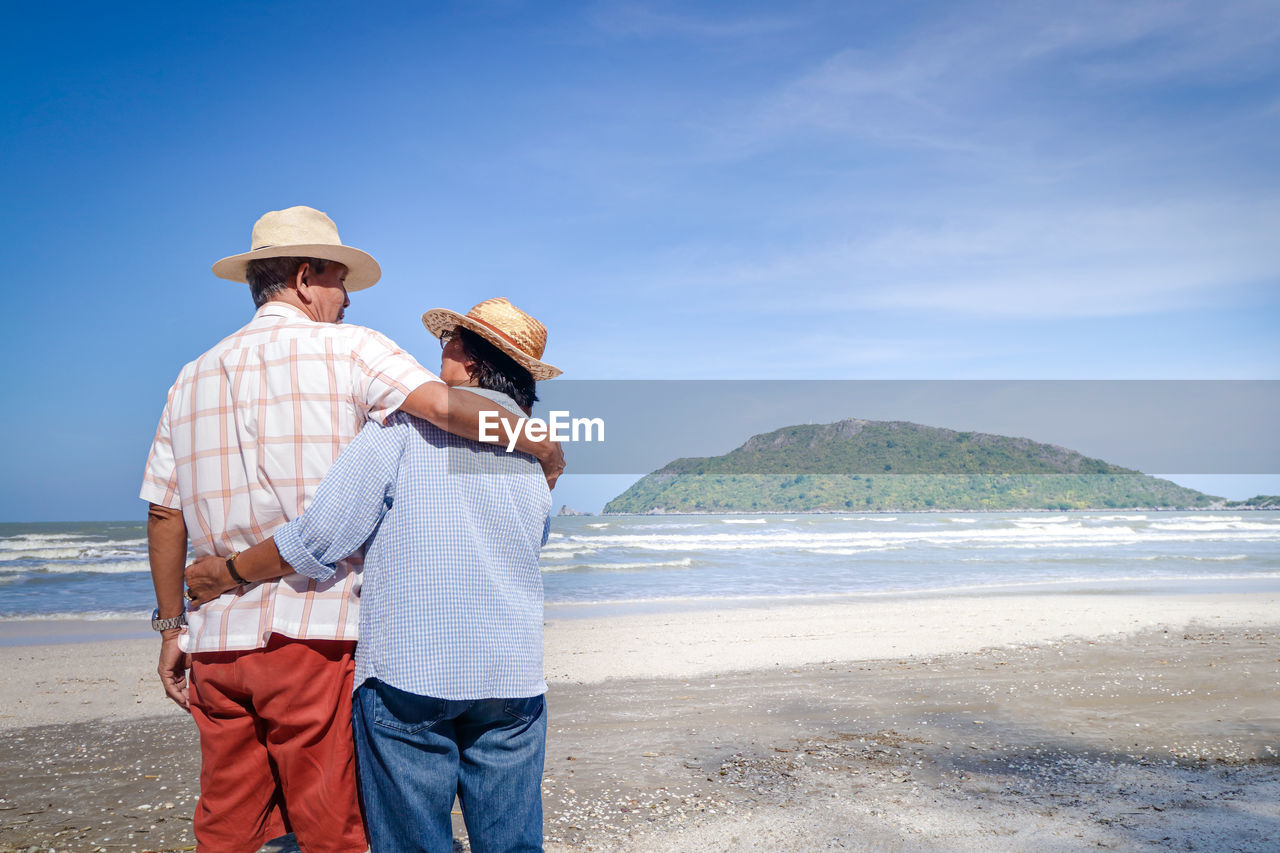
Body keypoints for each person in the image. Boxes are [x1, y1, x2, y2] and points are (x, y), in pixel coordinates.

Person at [141, 207, 562, 853]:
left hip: (238, 639)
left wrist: (179, 617)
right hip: (383, 643)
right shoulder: (364, 358)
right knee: (357, 828)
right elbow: (460, 435)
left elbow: (171, 512)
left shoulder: (191, 376)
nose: (346, 300)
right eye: (342, 282)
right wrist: (545, 446)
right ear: (308, 277)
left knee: (232, 823)